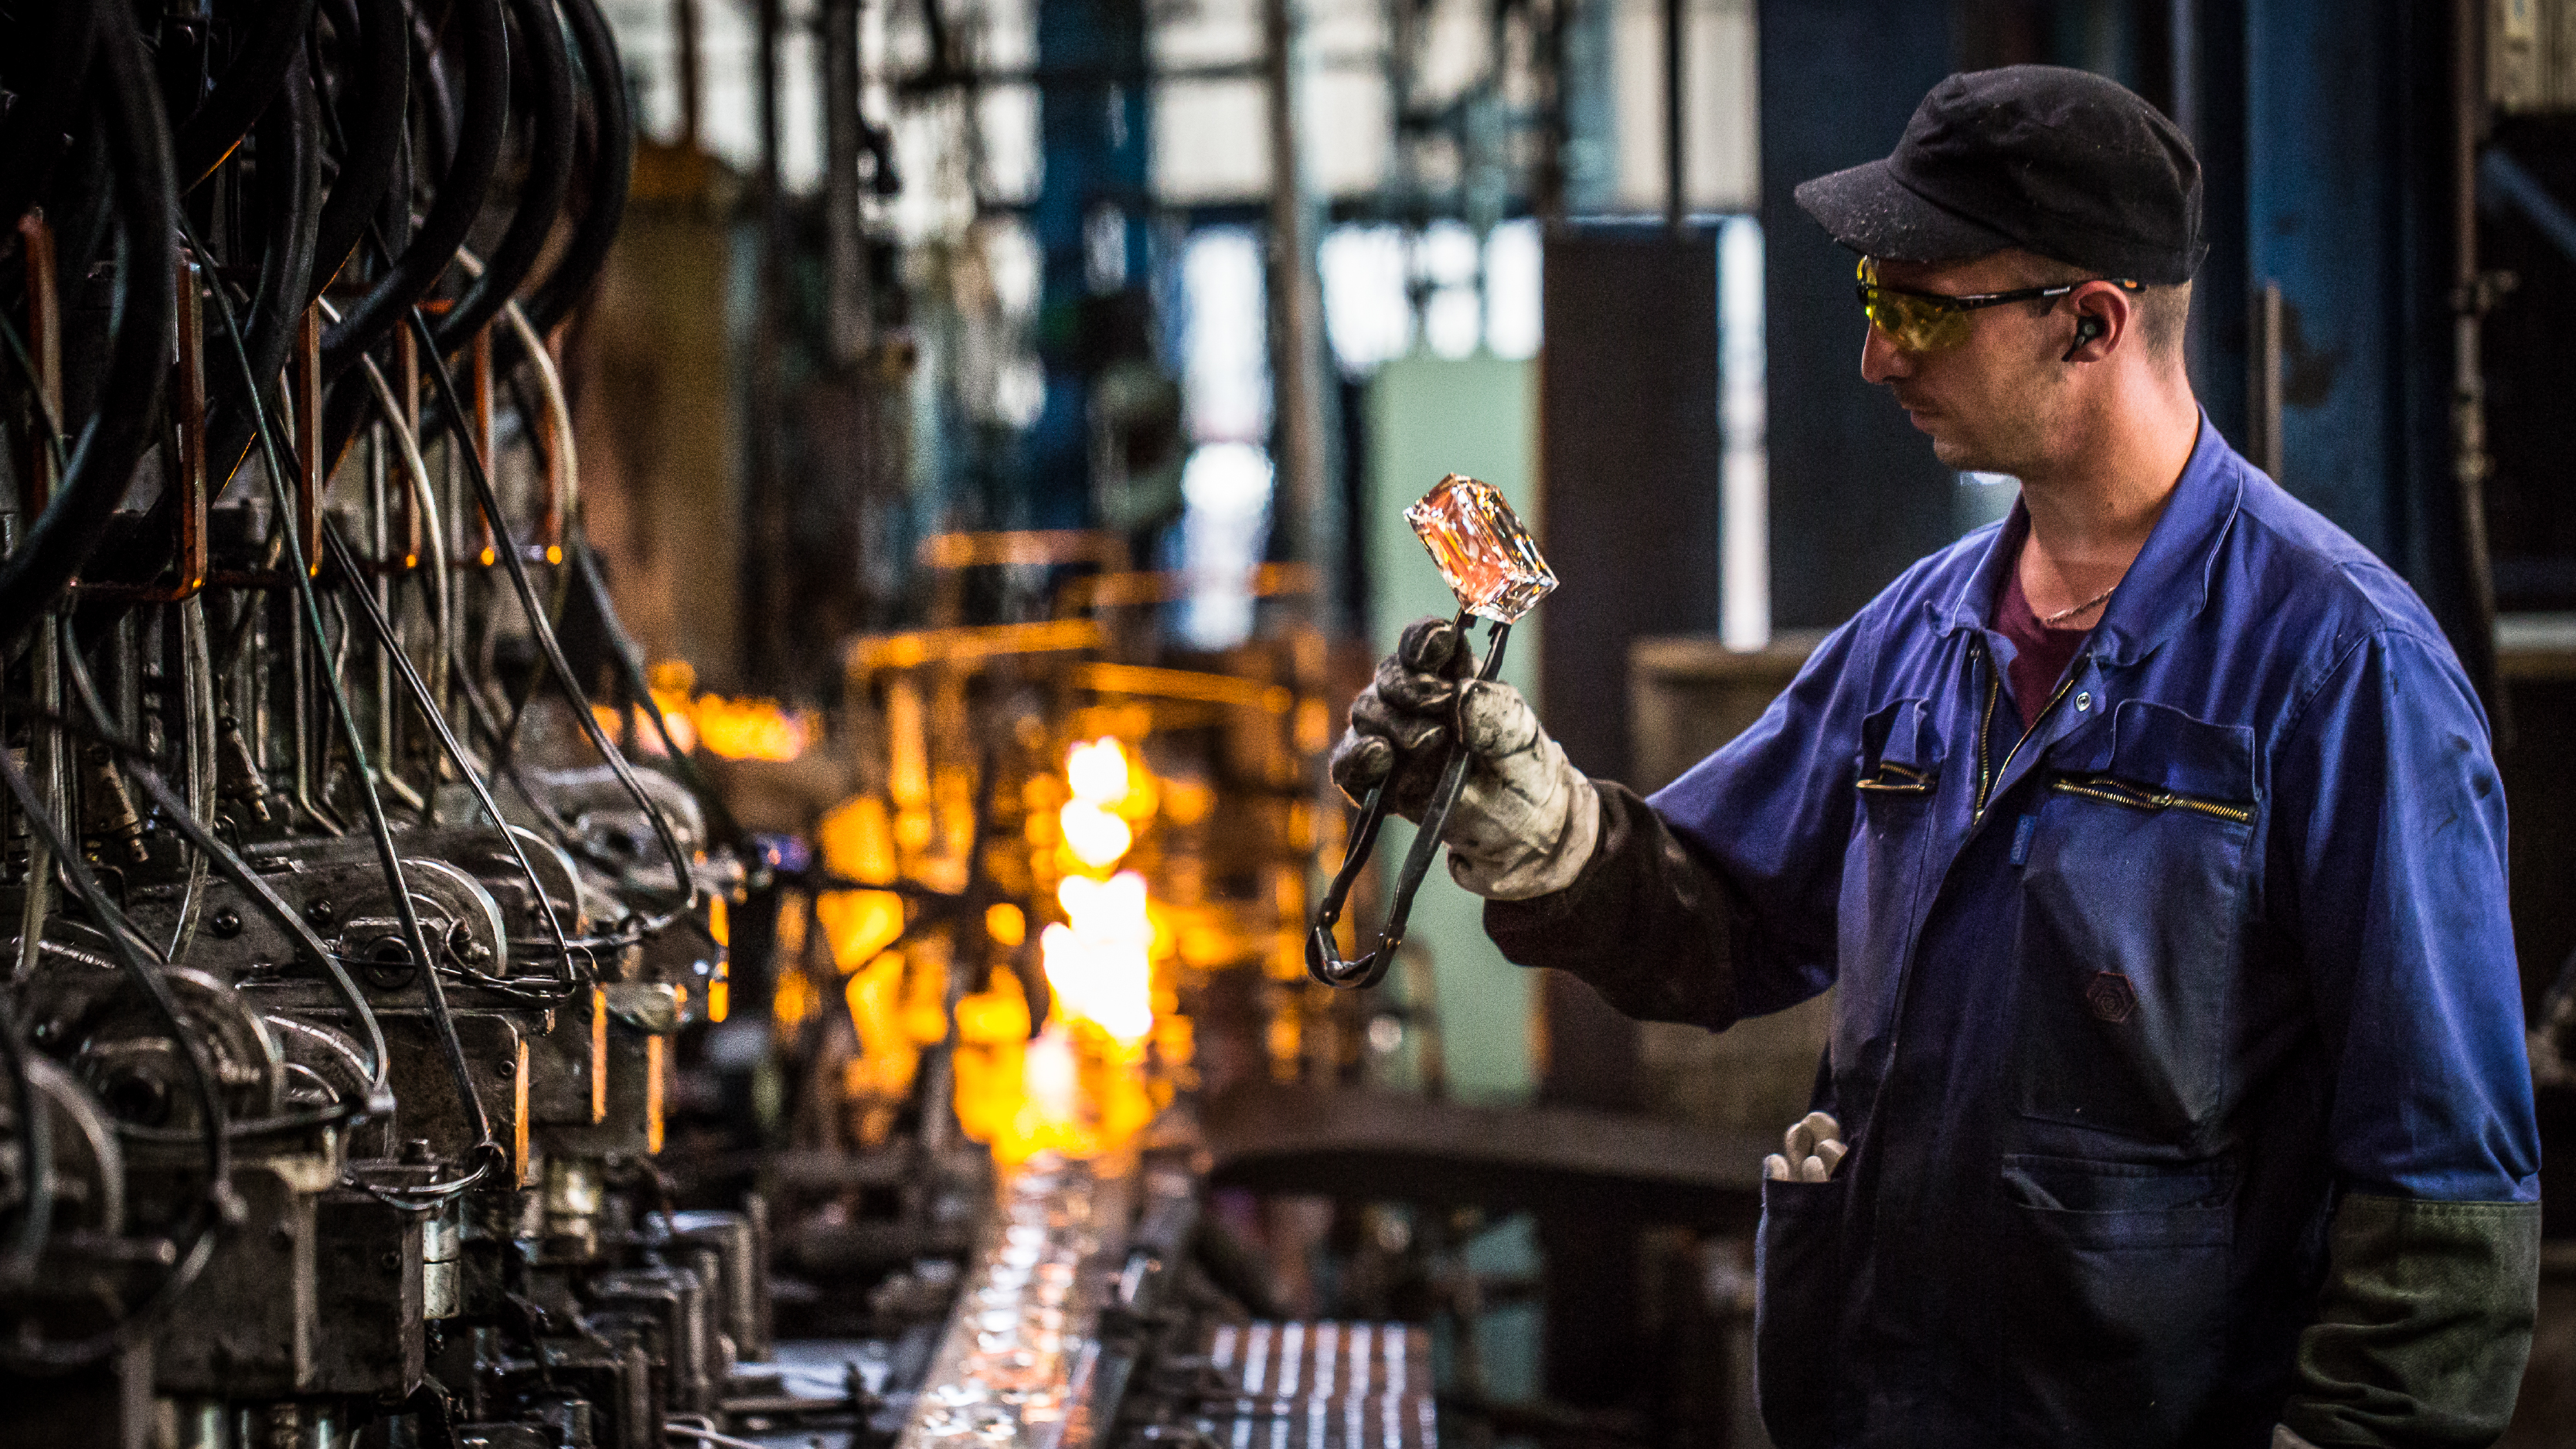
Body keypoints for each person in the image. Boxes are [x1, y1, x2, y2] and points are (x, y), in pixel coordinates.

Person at [1333, 66, 2539, 1448]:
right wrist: (1541, 829)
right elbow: (1724, 923)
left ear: (2089, 322)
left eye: (1915, 310)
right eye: (1869, 304)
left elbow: (2440, 1196)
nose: (1875, 357)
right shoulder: (1919, 634)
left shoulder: (2340, 669)